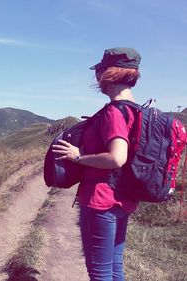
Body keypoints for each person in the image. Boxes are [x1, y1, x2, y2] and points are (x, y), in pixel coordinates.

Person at [51, 47, 142, 281]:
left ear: (109, 74)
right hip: (124, 198)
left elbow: (117, 157)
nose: (97, 78)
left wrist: (77, 156)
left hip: (101, 200)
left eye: (99, 71)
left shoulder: (114, 112)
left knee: (100, 273)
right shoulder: (138, 111)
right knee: (114, 267)